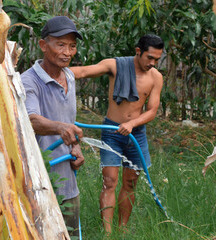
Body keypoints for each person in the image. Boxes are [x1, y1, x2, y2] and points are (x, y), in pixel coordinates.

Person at [70, 34, 164, 234]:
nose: (153, 63)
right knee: (110, 181)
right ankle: (107, 233)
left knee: (130, 183)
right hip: (112, 132)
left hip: (136, 135)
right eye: (149, 57)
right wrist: (47, 73)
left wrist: (132, 123)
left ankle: (123, 230)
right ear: (138, 51)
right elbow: (84, 71)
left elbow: (152, 111)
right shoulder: (115, 65)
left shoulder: (156, 77)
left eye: (157, 59)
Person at [20, 16, 85, 237]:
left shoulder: (69, 76)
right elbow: (31, 119)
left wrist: (75, 147)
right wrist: (60, 128)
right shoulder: (28, 81)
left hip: (66, 175)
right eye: (61, 45)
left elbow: (69, 119)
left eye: (72, 46)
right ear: (43, 45)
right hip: (39, 177)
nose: (67, 52)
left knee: (71, 233)